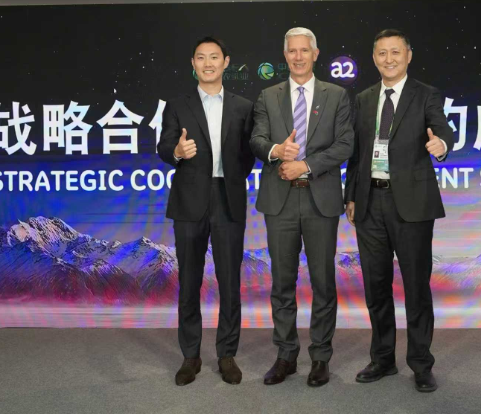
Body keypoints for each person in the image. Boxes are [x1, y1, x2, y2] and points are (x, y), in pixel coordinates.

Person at [344, 29, 454, 393]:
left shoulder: (426, 94)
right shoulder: (363, 99)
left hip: (411, 205)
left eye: (395, 52)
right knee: (376, 286)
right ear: (374, 58)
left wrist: (441, 145)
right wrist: (351, 196)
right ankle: (382, 359)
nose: (388, 59)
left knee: (416, 287)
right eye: (381, 53)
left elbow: (442, 130)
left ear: (408, 56)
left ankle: (421, 363)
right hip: (369, 202)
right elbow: (357, 153)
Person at [250, 27, 354, 387]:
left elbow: (345, 145)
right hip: (279, 200)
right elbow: (256, 139)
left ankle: (321, 356)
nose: (298, 56)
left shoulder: (336, 95)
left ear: (315, 53)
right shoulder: (268, 96)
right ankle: (286, 355)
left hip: (319, 198)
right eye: (292, 51)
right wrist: (277, 151)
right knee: (282, 282)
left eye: (304, 50)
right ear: (285, 55)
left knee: (323, 282)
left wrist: (305, 165)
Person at [157, 36, 255, 386]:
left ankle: (227, 354)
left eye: (214, 57)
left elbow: (248, 154)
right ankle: (190, 356)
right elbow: (164, 146)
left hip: (228, 198)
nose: (208, 63)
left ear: (226, 62)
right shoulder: (177, 105)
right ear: (193, 63)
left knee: (230, 281)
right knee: (189, 281)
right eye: (201, 57)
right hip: (189, 201)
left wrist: (231, 177)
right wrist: (178, 152)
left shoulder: (244, 106)